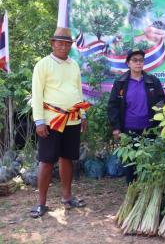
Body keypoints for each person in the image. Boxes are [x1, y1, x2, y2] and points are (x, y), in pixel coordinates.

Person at [30, 27, 90, 218]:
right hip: (51, 121)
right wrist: (39, 121)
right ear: (53, 44)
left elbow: (78, 91)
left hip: (72, 120)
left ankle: (67, 197)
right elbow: (37, 94)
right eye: (60, 42)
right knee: (46, 161)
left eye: (67, 43)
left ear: (71, 46)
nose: (63, 46)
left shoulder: (73, 65)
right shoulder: (43, 65)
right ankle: (41, 204)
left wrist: (83, 115)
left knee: (67, 158)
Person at [107, 49, 165, 184]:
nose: (138, 63)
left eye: (141, 60)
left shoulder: (152, 81)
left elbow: (161, 102)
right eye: (134, 60)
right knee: (131, 163)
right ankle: (132, 191)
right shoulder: (120, 82)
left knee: (150, 162)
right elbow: (113, 106)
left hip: (150, 129)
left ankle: (148, 190)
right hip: (129, 129)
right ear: (128, 63)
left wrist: (160, 125)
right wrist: (116, 128)